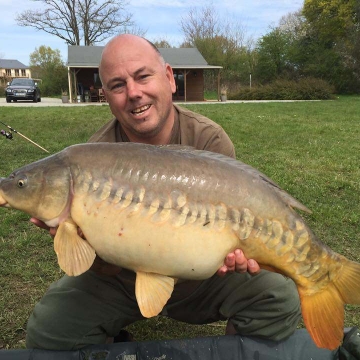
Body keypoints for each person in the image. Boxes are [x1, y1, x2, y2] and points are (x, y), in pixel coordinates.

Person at [26, 34, 301, 350]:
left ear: (169, 78)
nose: (133, 93)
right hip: (123, 278)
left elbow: (232, 230)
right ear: (106, 96)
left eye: (143, 76)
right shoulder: (92, 157)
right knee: (49, 329)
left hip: (202, 277)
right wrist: (83, 242)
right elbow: (101, 267)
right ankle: (113, 342)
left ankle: (233, 349)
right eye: (117, 85)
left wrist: (238, 252)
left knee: (279, 297)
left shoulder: (209, 139)